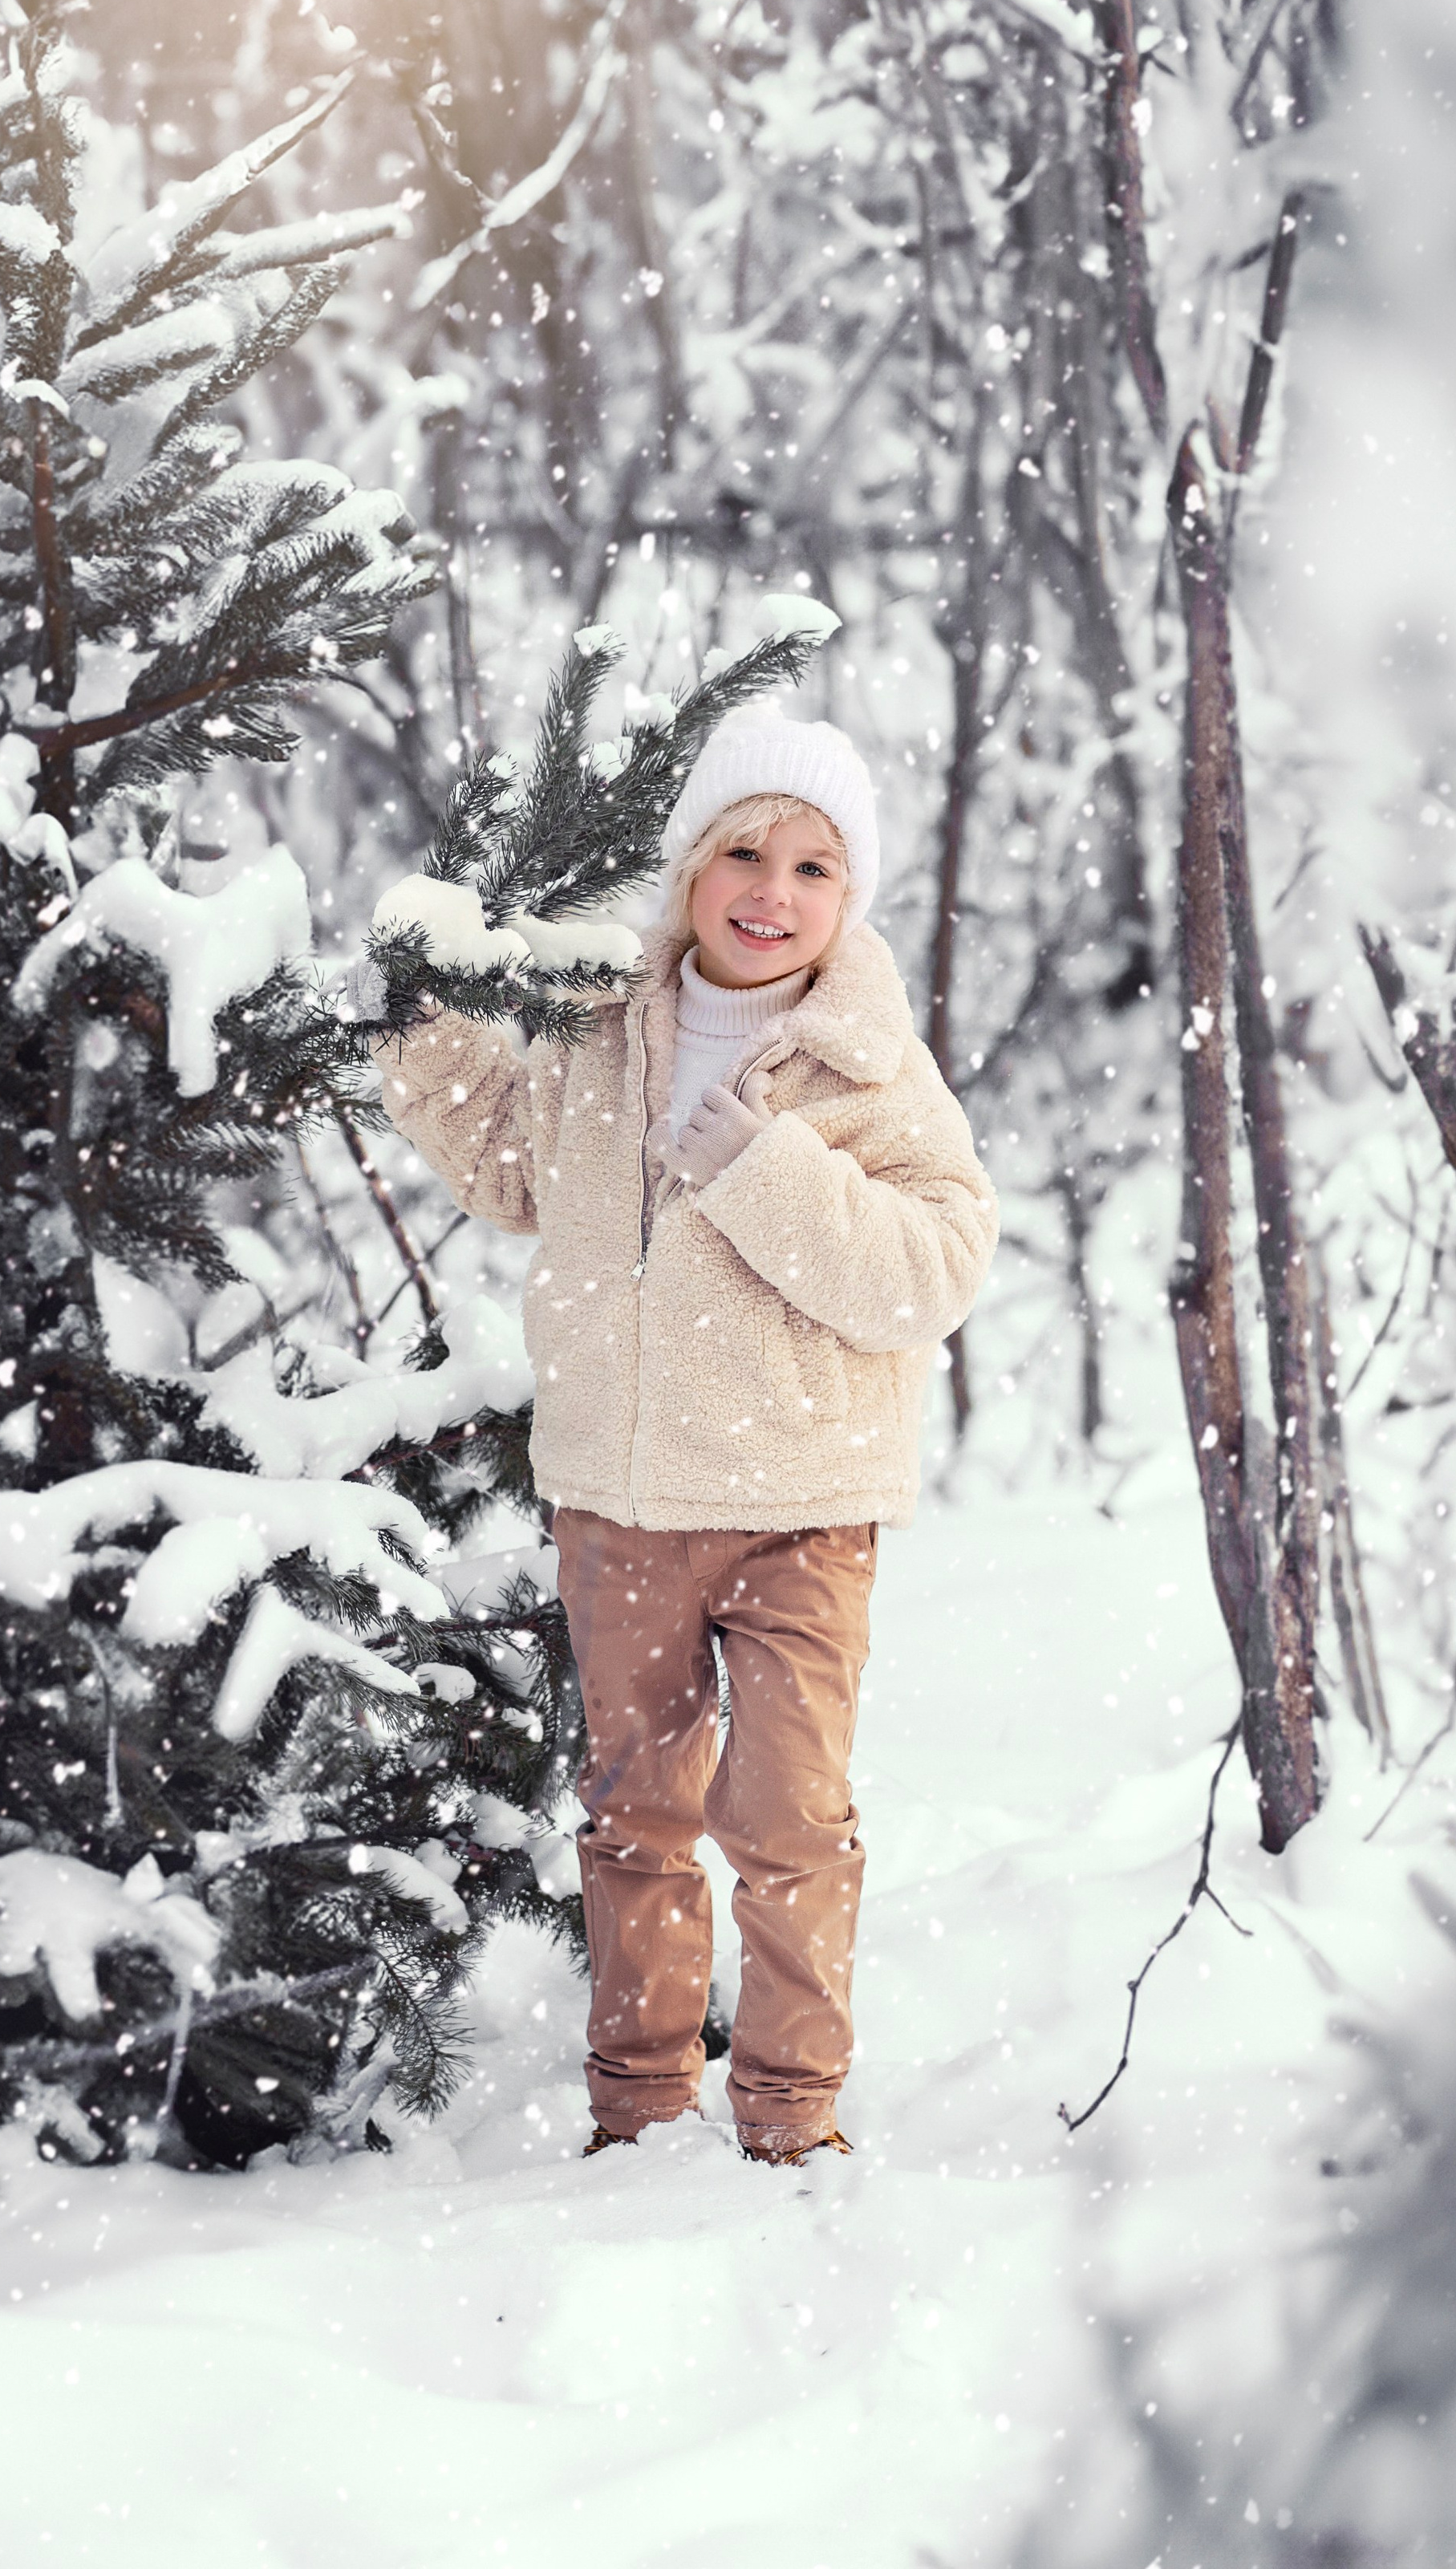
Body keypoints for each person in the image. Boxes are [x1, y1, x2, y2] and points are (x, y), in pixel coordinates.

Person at [374, 712, 997, 2165]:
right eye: (743, 851)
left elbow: (935, 1269)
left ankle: (790, 2112)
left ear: (851, 902)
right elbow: (510, 1171)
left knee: (788, 1819)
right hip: (624, 1496)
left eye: (814, 867)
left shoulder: (866, 1066)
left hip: (802, 1500)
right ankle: (641, 2106)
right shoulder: (603, 1036)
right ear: (691, 867)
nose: (771, 890)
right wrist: (423, 1018)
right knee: (637, 1813)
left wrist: (767, 1174)